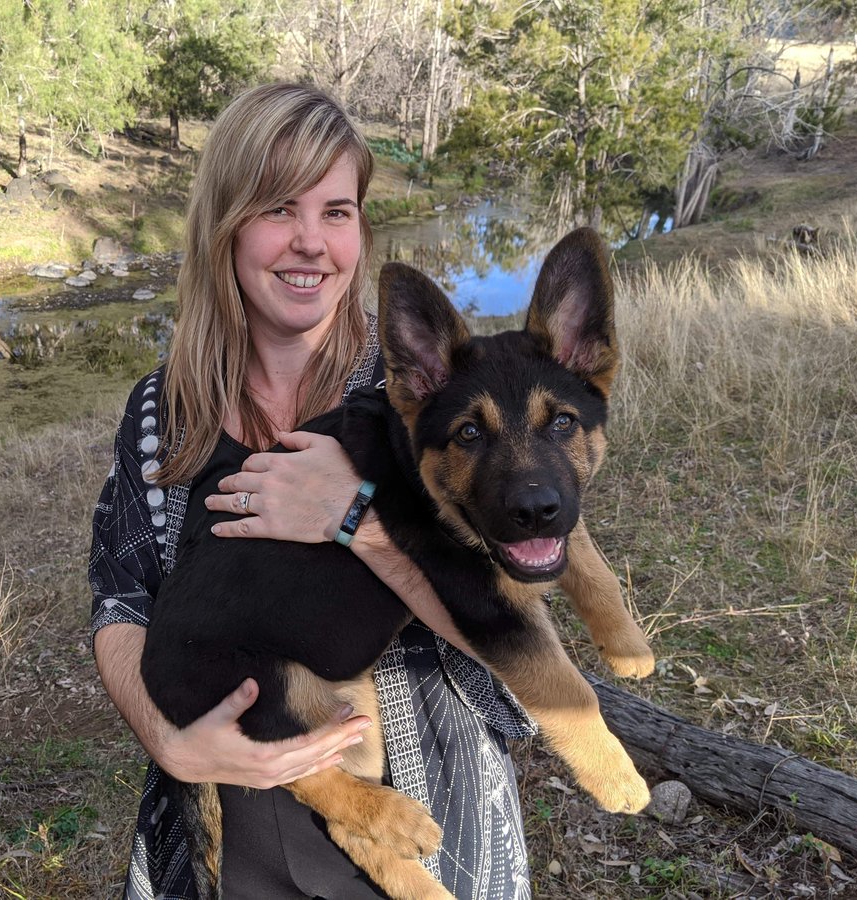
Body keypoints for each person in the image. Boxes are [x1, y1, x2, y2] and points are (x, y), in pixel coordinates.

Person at [90, 83, 535, 900]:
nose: (310, 242)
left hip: (419, 830)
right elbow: (121, 601)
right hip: (229, 848)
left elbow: (512, 625)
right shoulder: (163, 411)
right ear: (225, 224)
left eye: (336, 212)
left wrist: (356, 520)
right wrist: (170, 742)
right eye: (278, 208)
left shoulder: (433, 400)